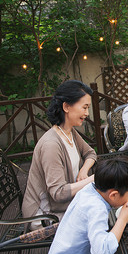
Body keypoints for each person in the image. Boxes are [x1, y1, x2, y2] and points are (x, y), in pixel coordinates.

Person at [22, 80, 97, 229]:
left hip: (65, 203)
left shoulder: (69, 132)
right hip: (46, 215)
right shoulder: (51, 145)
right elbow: (58, 193)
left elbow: (90, 153)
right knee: (101, 214)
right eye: (84, 107)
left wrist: (83, 171)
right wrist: (94, 179)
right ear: (66, 106)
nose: (87, 113)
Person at [44, 157, 128, 254]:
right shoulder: (96, 209)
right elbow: (102, 252)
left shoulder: (89, 189)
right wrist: (123, 219)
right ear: (113, 195)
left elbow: (112, 198)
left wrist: (126, 197)